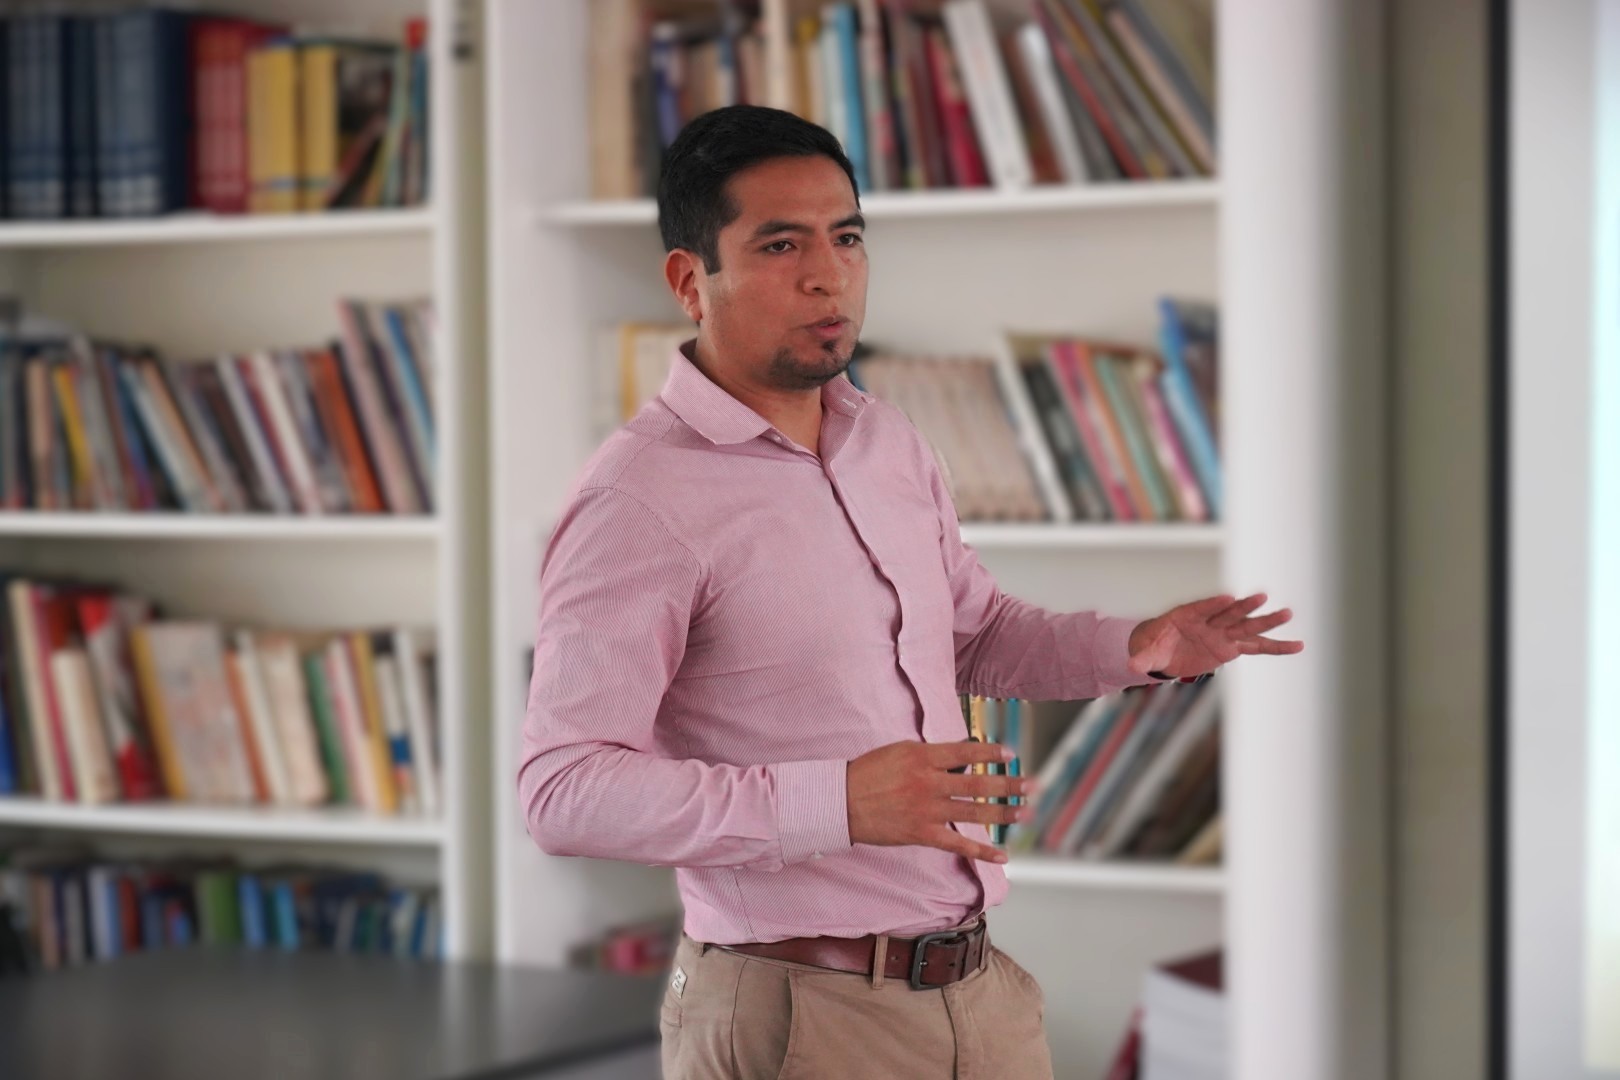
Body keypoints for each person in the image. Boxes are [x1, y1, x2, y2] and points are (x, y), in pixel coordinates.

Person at [517, 105, 1303, 1080]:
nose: (828, 274)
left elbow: (972, 633)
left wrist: (1139, 645)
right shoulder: (637, 499)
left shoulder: (885, 440)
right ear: (689, 281)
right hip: (797, 1015)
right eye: (781, 245)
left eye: (847, 238)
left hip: (981, 996)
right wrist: (839, 801)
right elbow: (562, 791)